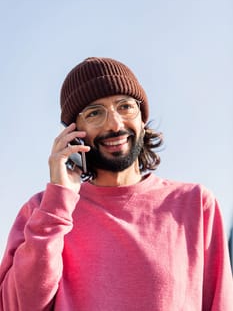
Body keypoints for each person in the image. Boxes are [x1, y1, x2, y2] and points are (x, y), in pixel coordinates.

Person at [0, 57, 232, 311]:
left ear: (142, 118)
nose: (115, 124)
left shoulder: (195, 204)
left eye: (125, 106)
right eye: (95, 113)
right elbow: (18, 306)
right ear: (73, 133)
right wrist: (57, 204)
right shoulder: (42, 211)